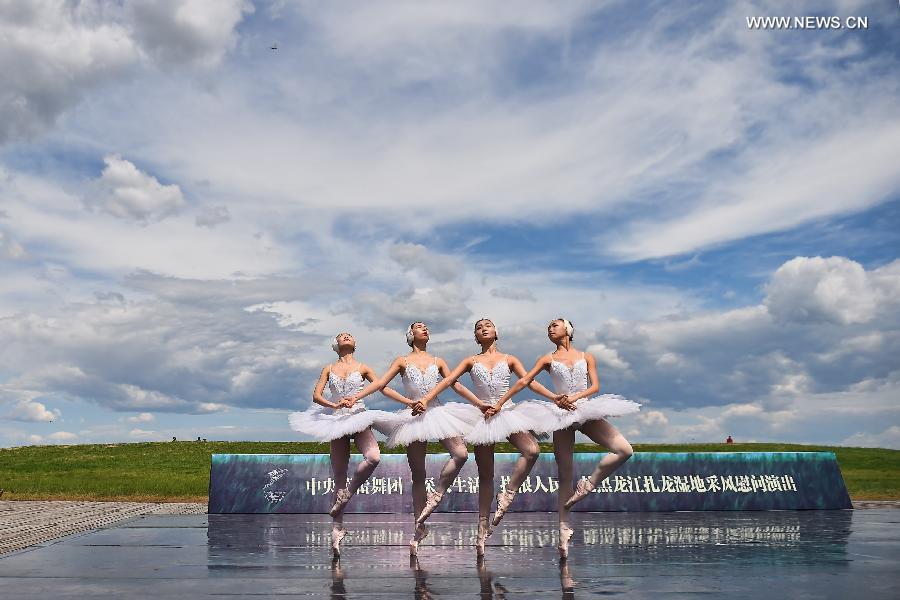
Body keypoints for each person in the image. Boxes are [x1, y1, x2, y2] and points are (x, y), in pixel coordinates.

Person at [495, 318, 640, 559]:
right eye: (549, 327)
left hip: (584, 409)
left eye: (555, 325)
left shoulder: (586, 356)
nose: (550, 328)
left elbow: (595, 386)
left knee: (624, 449)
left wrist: (573, 398)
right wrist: (502, 402)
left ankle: (588, 484)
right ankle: (563, 531)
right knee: (564, 474)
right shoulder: (547, 359)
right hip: (560, 415)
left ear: (568, 330)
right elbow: (525, 381)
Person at [420, 318, 564, 556]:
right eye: (478, 327)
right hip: (482, 416)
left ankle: (508, 493)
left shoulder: (510, 359)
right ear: (476, 337)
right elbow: (450, 381)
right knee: (486, 475)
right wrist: (428, 399)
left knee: (532, 450)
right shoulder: (470, 360)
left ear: (496, 332)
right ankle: (481, 530)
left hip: (507, 411)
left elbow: (529, 382)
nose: (483, 328)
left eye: (488, 325)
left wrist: (554, 397)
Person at [347, 321, 481, 556]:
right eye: (419, 326)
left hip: (438, 412)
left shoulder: (438, 361)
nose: (425, 328)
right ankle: (419, 527)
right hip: (413, 415)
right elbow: (381, 385)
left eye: (426, 326)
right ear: (410, 335)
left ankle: (436, 495)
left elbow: (456, 384)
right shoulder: (402, 361)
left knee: (461, 454)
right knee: (418, 474)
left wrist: (480, 404)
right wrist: (359, 397)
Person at [288, 332, 403, 557]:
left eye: (349, 335)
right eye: (342, 336)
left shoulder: (363, 367)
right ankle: (337, 530)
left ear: (355, 343)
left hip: (358, 415)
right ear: (336, 344)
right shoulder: (328, 368)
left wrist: (356, 398)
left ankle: (348, 494)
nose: (346, 337)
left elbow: (379, 384)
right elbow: (316, 395)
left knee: (374, 457)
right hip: (337, 419)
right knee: (338, 475)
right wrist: (334, 404)